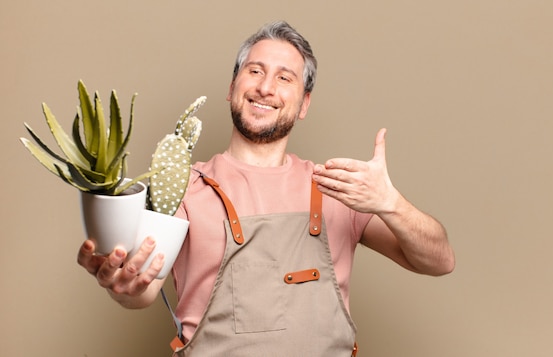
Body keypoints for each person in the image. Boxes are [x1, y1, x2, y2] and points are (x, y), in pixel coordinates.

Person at [77, 20, 455, 356]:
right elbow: (142, 288)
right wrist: (119, 284)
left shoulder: (336, 189)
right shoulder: (183, 188)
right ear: (232, 87)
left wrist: (391, 204)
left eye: (284, 77)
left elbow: (438, 261)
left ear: (304, 103)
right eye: (254, 71)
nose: (265, 87)